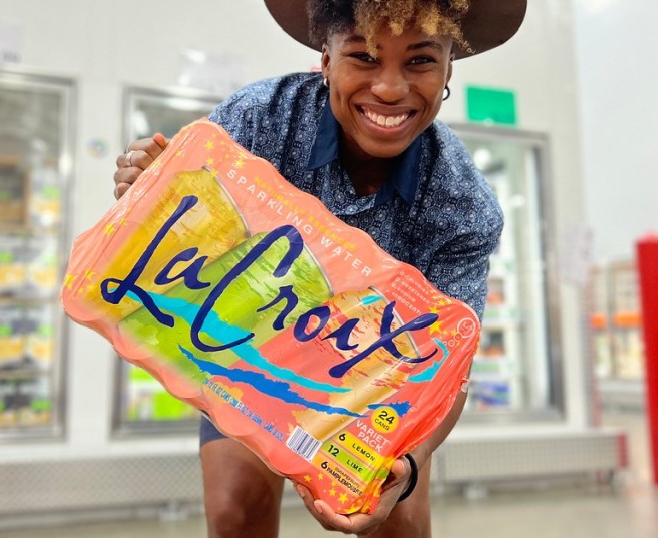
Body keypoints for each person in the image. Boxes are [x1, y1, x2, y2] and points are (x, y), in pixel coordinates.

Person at [113, 1, 525, 536]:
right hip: (248, 352)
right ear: (325, 57)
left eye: (421, 61)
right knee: (236, 509)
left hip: (377, 385)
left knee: (399, 520)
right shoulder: (260, 119)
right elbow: (186, 230)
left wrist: (409, 467)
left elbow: (451, 362)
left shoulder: (461, 202)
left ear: (449, 70)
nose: (391, 89)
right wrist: (148, 192)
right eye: (363, 56)